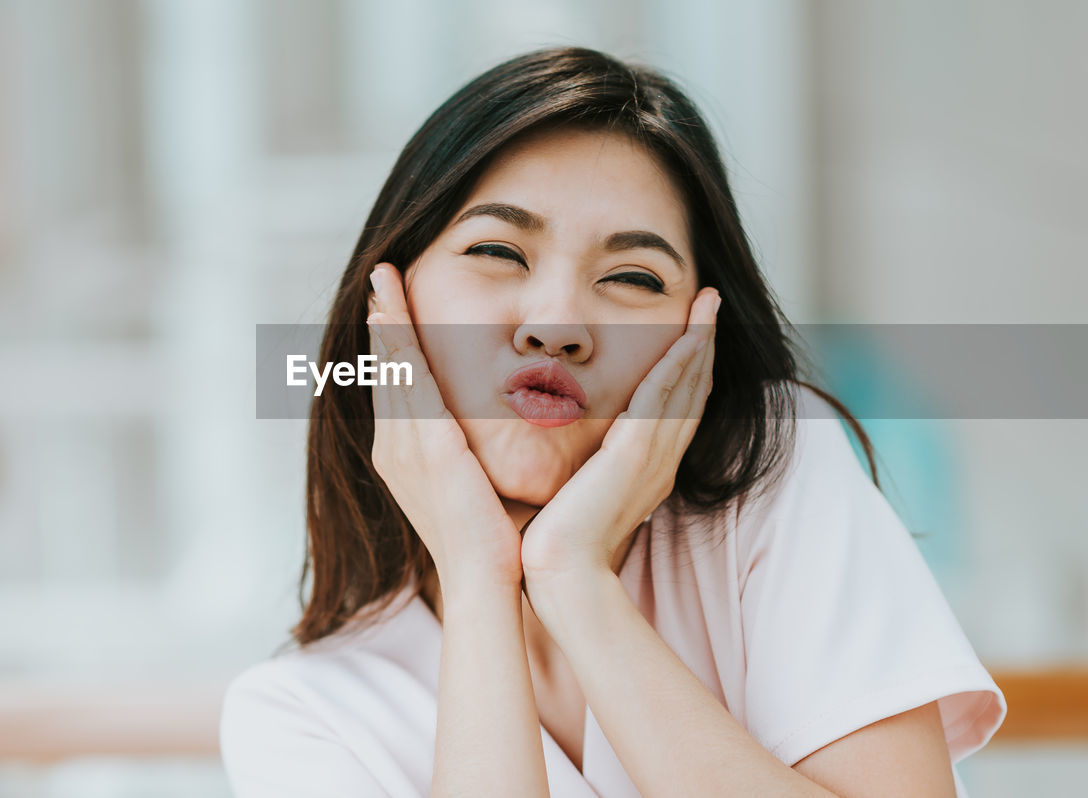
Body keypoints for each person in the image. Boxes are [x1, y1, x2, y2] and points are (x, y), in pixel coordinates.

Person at [221, 46, 1005, 797]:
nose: (557, 323)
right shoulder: (301, 719)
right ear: (386, 313)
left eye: (633, 276)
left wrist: (574, 581)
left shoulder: (777, 474)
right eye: (497, 252)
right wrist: (476, 577)